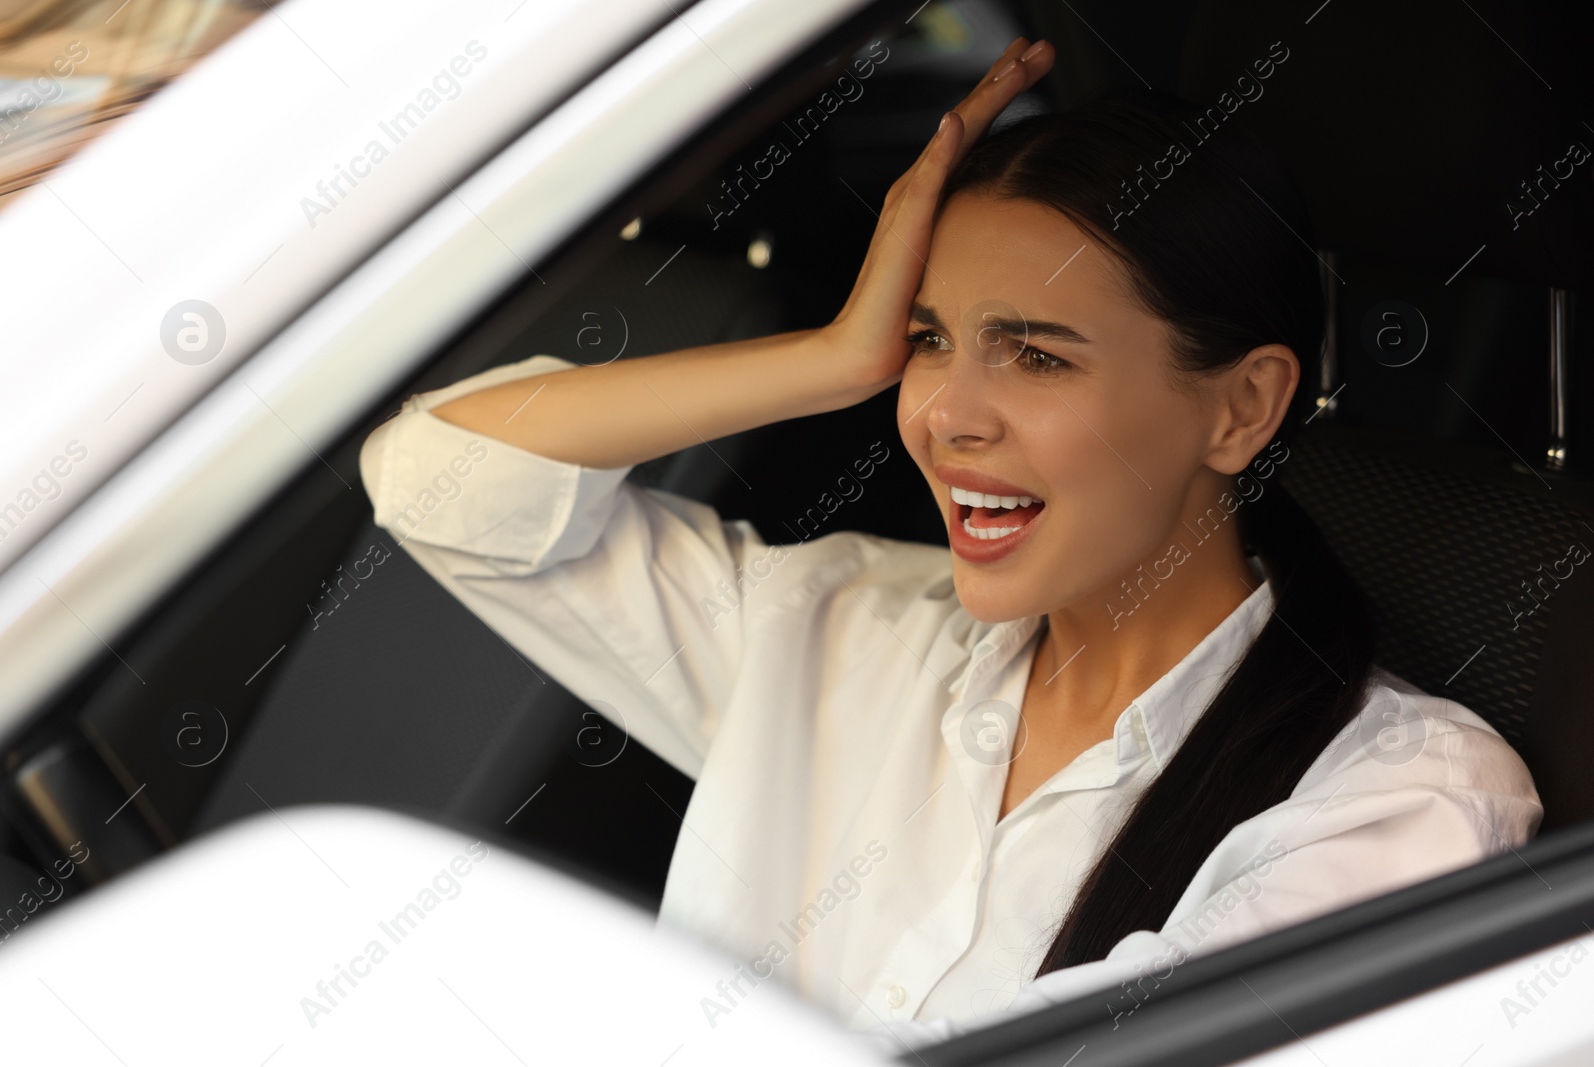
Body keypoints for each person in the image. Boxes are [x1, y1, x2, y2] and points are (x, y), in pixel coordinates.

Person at [357, 35, 1540, 1054]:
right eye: (927, 339)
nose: (943, 414)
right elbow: (442, 485)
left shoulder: (1400, 795)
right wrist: (833, 356)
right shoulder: (835, 628)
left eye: (1035, 354)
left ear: (1238, 408)